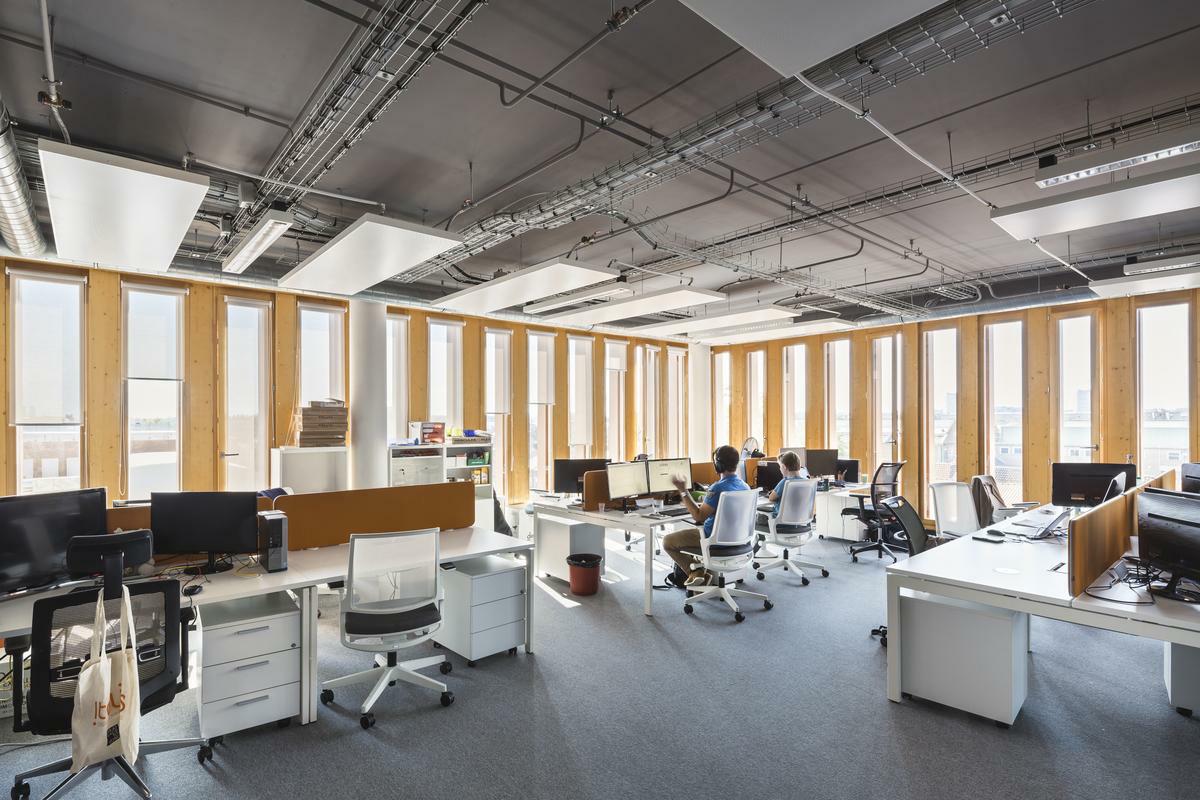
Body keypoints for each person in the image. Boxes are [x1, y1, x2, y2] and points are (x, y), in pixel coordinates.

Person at [664, 445, 750, 586]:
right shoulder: (745, 486)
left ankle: (696, 571)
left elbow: (698, 517)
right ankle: (699, 573)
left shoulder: (717, 488)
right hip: (738, 540)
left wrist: (682, 490)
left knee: (668, 541)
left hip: (713, 540)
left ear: (718, 465)